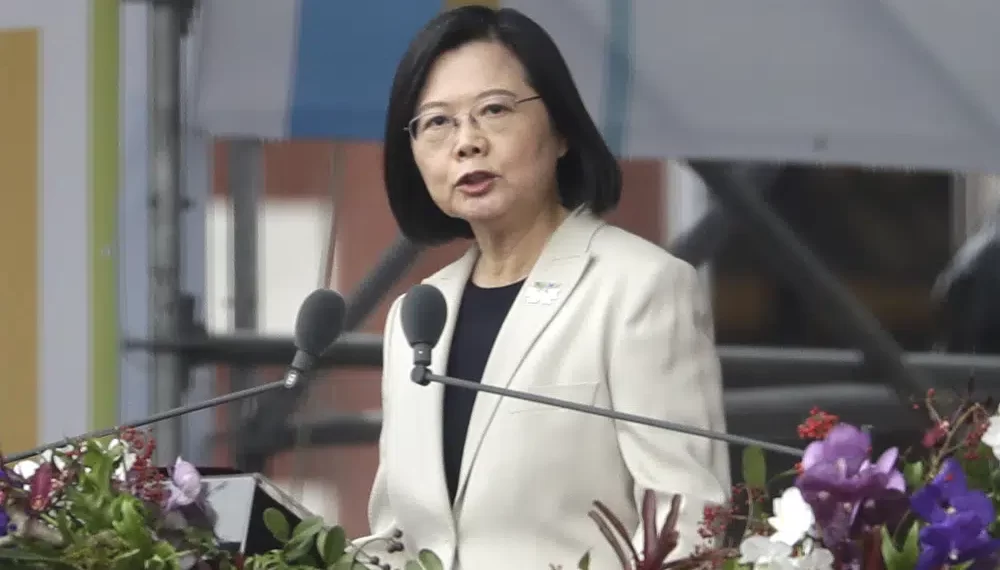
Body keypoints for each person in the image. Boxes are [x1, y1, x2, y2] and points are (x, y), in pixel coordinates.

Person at [362, 6, 730, 569]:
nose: (467, 142)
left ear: (560, 129)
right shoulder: (417, 315)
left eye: (493, 110)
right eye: (437, 122)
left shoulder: (639, 289)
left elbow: (688, 530)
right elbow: (398, 536)